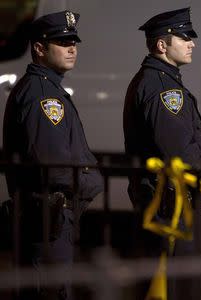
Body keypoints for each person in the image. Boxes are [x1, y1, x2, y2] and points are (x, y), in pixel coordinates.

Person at [123, 7, 201, 299]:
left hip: (167, 202)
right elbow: (178, 150)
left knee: (163, 285)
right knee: (179, 286)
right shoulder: (163, 89)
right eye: (184, 37)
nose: (192, 43)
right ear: (161, 45)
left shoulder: (159, 81)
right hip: (172, 205)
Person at [2, 11, 103, 300]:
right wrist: (89, 183)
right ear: (39, 48)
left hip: (51, 216)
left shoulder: (48, 89)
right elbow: (53, 165)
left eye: (73, 41)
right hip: (48, 217)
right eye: (62, 42)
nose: (72, 47)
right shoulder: (42, 96)